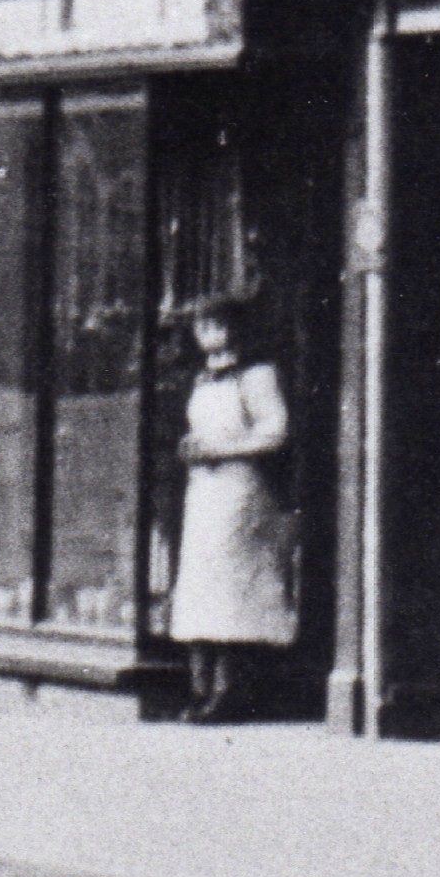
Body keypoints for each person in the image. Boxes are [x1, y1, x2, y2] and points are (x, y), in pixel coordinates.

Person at [163, 293, 298, 723]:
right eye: (203, 328)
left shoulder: (257, 376)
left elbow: (275, 431)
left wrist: (225, 449)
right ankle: (199, 686)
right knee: (201, 581)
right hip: (203, 490)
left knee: (232, 583)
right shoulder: (202, 379)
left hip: (240, 490)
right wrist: (191, 446)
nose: (210, 336)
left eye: (218, 326)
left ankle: (230, 688)